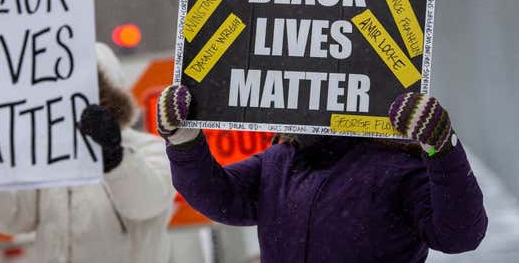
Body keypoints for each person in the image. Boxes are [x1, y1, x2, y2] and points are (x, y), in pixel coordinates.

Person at [157, 86, 487, 263]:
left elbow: (460, 235)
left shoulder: (397, 167)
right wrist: (184, 143)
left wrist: (443, 149)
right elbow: (220, 197)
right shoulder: (280, 160)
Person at [0, 42, 174, 263]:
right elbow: (12, 215)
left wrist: (114, 158)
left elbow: (147, 202)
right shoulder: (48, 160)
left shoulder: (148, 149)